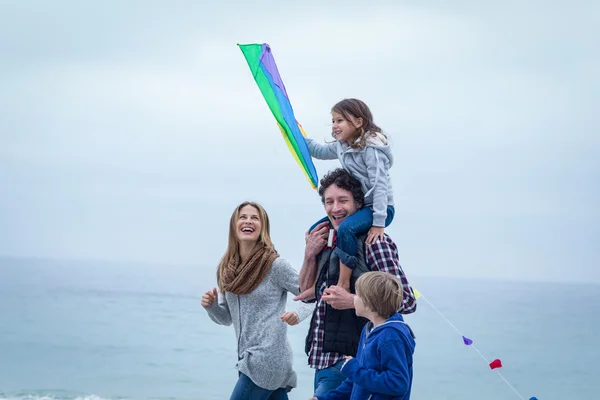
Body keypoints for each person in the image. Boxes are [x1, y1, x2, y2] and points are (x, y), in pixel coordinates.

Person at [294, 168, 416, 398]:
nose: (335, 208)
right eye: (329, 202)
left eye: (343, 200)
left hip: (353, 363)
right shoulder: (328, 240)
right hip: (322, 360)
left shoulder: (375, 243)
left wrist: (351, 300)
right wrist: (310, 254)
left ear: (359, 204)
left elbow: (407, 301)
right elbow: (306, 292)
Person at [201, 201, 313, 400]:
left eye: (255, 218)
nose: (248, 221)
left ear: (263, 227)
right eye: (243, 217)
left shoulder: (275, 265)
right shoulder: (227, 269)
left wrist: (298, 314)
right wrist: (211, 306)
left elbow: (311, 294)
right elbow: (227, 318)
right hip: (246, 358)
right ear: (234, 225)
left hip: (268, 358)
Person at [297, 98, 395, 299]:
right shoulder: (342, 146)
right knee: (315, 231)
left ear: (358, 122)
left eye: (340, 120)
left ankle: (343, 283)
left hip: (380, 209)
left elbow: (380, 187)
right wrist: (294, 133)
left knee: (346, 229)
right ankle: (316, 284)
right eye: (333, 121)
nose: (334, 126)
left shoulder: (372, 148)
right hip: (358, 208)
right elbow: (319, 151)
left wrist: (378, 224)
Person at [309, 271, 416, 400]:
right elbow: (356, 381)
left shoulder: (391, 337)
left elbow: (397, 384)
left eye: (358, 295)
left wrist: (354, 369)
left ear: (370, 303)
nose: (353, 298)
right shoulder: (369, 329)